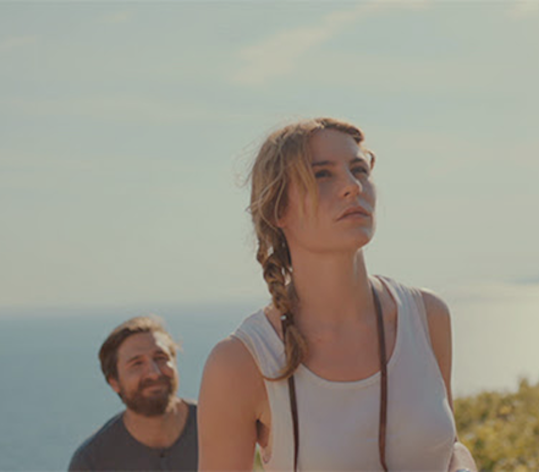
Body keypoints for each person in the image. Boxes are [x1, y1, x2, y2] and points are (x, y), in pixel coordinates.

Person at [198, 117, 477, 471]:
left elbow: (448, 448)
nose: (352, 186)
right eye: (322, 174)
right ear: (277, 210)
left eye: (359, 169)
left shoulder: (427, 316)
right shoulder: (241, 362)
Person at [69, 316, 198, 471]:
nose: (154, 373)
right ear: (114, 382)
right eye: (137, 363)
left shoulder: (222, 425)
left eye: (160, 358)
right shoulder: (92, 462)